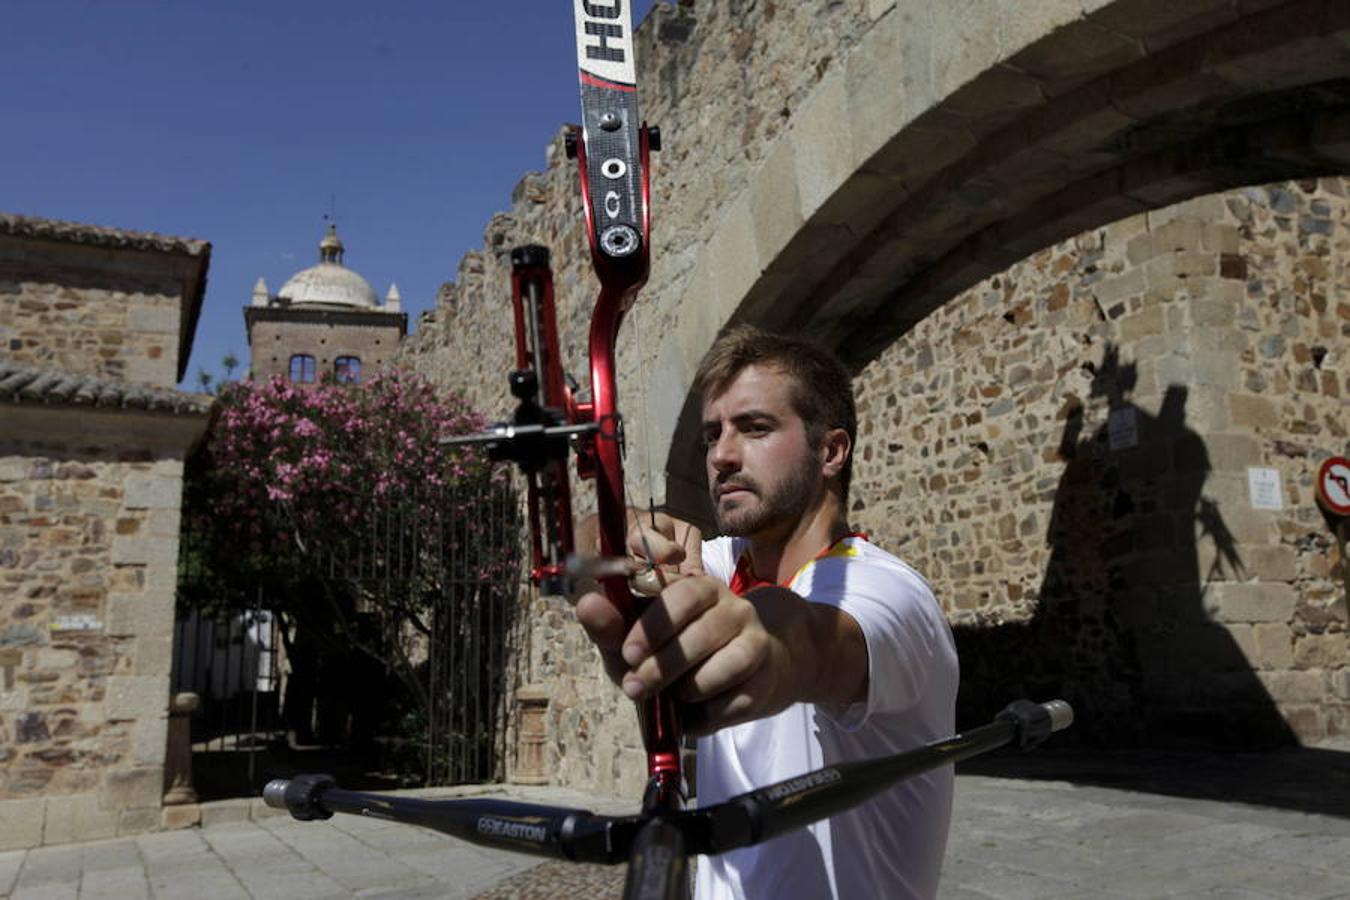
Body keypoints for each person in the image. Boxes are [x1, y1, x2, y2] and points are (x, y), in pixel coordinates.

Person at [575, 325, 959, 899]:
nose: (722, 456)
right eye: (712, 435)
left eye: (755, 428)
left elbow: (813, 640)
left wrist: (767, 649)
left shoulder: (887, 592)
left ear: (830, 451)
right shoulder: (721, 562)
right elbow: (586, 545)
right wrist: (617, 532)